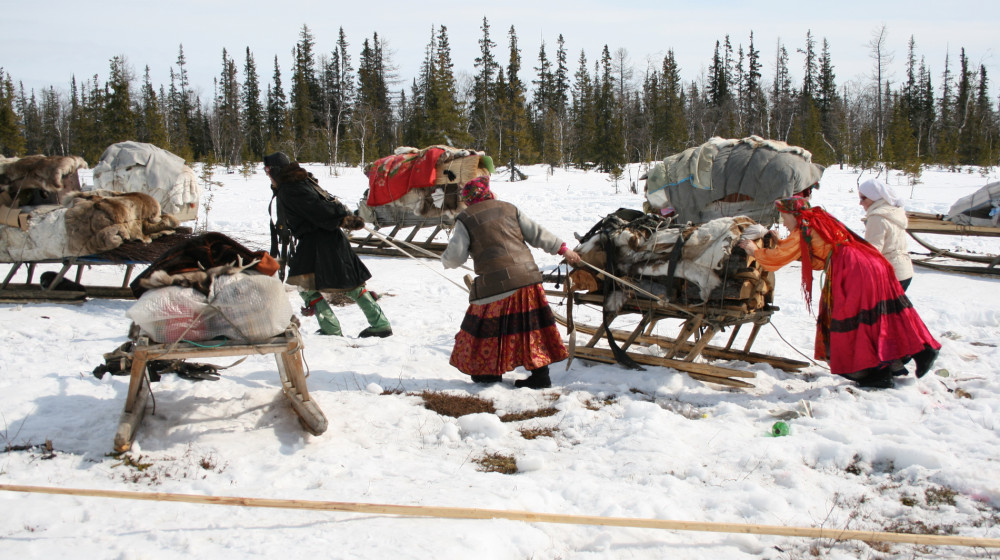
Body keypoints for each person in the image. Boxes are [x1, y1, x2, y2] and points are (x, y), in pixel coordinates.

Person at [738, 196, 939, 389]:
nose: (784, 222)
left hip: (853, 270)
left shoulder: (804, 229)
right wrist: (781, 241)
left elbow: (778, 259)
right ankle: (915, 353)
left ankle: (873, 372)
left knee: (853, 319)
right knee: (878, 316)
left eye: (784, 217)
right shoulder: (818, 220)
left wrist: (753, 249)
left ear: (794, 214)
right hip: (870, 263)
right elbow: (809, 251)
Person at [441, 175, 582, 389]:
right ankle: (540, 375)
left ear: (468, 200)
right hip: (527, 278)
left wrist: (445, 260)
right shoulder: (509, 208)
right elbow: (537, 233)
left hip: (494, 285)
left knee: (485, 328)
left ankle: (488, 374)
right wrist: (564, 249)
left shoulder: (466, 218)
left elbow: (455, 257)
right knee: (531, 327)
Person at [264, 152, 392, 338]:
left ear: (275, 170)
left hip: (319, 242)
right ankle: (379, 324)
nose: (266, 174)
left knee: (305, 284)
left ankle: (331, 328)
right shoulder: (298, 183)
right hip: (325, 240)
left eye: (268, 170)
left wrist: (343, 220)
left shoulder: (291, 188)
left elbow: (319, 210)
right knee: (351, 284)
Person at [858, 178, 914, 291]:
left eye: (863, 198)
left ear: (874, 197)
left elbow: (873, 251)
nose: (860, 202)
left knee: (881, 308)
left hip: (890, 273)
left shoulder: (877, 217)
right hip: (904, 271)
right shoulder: (894, 211)